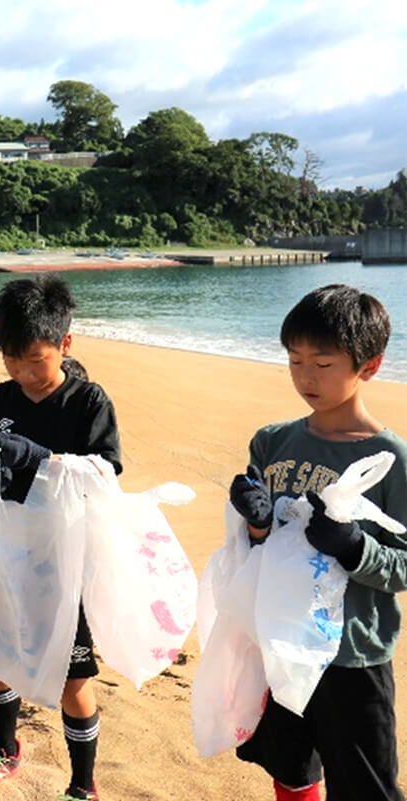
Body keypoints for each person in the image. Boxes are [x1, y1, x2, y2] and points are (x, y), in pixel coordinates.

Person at [227, 284, 407, 801]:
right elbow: (255, 550)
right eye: (294, 360)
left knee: (364, 786)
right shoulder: (272, 442)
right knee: (291, 769)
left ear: (368, 366)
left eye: (323, 364)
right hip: (280, 640)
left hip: (353, 656)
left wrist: (353, 547)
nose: (305, 376)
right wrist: (256, 525)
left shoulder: (389, 459)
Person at [0, 274, 121, 800]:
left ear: (65, 345)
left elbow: (104, 475)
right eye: (11, 359)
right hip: (7, 555)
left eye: (35, 359)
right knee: (1, 658)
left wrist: (40, 460)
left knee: (74, 681)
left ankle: (82, 784)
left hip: (65, 564)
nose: (23, 372)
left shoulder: (88, 401)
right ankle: (5, 750)